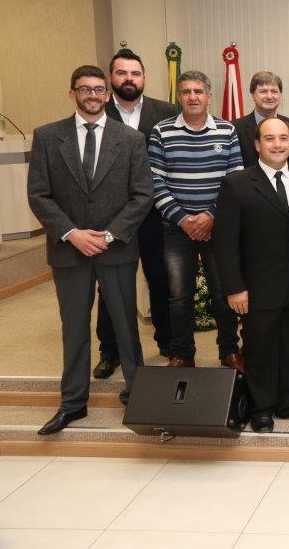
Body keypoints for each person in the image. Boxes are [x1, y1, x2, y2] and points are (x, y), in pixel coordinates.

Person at [27, 65, 153, 434]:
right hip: (69, 251)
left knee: (126, 327)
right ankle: (73, 403)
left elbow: (142, 195)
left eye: (99, 89)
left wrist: (109, 235)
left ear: (107, 94)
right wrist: (71, 233)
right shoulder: (48, 136)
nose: (93, 95)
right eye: (85, 89)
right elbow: (39, 194)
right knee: (74, 329)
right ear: (72, 94)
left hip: (116, 250)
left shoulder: (130, 139)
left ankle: (139, 395)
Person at [214, 118, 289, 433]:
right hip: (257, 286)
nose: (277, 144)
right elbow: (225, 242)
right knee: (260, 348)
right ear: (257, 144)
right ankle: (261, 408)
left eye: (283, 138)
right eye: (270, 138)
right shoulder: (237, 183)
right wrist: (234, 287)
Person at [148, 70, 244, 369]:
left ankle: (229, 351)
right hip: (177, 228)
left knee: (223, 292)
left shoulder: (227, 130)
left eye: (198, 91)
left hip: (218, 227)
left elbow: (235, 180)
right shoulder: (161, 131)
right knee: (179, 296)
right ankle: (183, 354)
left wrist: (211, 215)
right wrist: (183, 219)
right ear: (179, 96)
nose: (193, 97)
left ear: (209, 96)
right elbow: (155, 181)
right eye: (187, 91)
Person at [93, 48, 177, 378]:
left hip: (156, 213)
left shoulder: (166, 111)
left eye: (135, 73)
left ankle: (168, 342)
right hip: (112, 217)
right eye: (122, 73)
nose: (129, 79)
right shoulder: (98, 112)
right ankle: (110, 350)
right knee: (110, 286)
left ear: (144, 77)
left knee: (161, 279)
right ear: (110, 78)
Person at [232, 70, 289, 169]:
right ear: (252, 95)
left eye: (274, 91)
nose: (269, 96)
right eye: (263, 91)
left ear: (280, 95)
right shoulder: (235, 128)